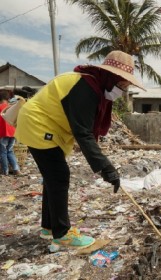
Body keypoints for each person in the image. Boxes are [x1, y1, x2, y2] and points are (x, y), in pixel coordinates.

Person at [15, 51, 145, 249]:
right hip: (39, 125)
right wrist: (106, 168)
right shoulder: (85, 88)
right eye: (122, 84)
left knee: (53, 177)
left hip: (44, 126)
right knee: (59, 176)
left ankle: (49, 227)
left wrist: (103, 165)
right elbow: (83, 133)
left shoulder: (92, 86)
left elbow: (83, 131)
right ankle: (62, 234)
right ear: (110, 77)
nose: (122, 90)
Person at [0, 89, 21, 176]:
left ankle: (5, 172)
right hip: (13, 133)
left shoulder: (0, 107)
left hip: (3, 133)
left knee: (3, 152)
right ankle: (16, 170)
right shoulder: (11, 107)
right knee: (10, 151)